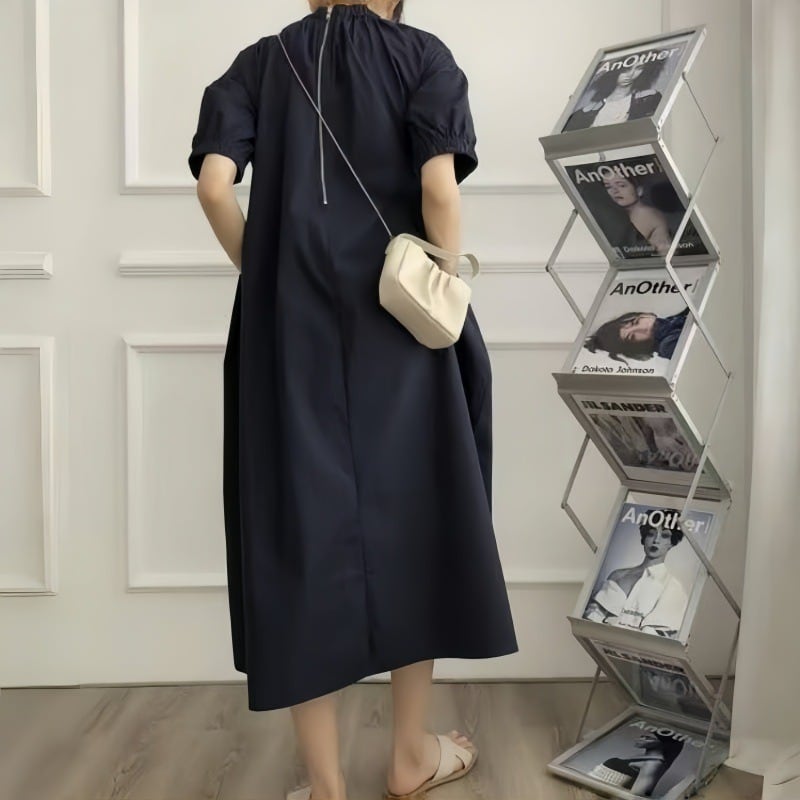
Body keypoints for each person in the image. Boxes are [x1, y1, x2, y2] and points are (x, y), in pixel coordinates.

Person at [187, 2, 519, 800]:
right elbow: (438, 188)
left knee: (296, 535)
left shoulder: (259, 63)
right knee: (418, 520)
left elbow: (214, 185)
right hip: (401, 323)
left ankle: (327, 786)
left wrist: (263, 271)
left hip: (287, 336)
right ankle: (409, 757)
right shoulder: (421, 56)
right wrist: (447, 282)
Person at [584, 510, 690, 637]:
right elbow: (591, 620)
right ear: (644, 538)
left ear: (672, 542)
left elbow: (657, 637)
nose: (656, 540)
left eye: (665, 535)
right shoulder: (617, 576)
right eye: (651, 534)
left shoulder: (673, 588)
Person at [562, 57, 666, 131]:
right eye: (626, 69)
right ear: (616, 70)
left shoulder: (648, 98)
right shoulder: (586, 111)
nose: (630, 74)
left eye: (639, 68)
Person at [588, 730, 685, 796]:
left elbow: (636, 795)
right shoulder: (648, 760)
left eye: (647, 737)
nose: (641, 738)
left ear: (661, 743)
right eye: (642, 736)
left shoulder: (653, 764)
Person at [584, 307, 690, 364]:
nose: (640, 328)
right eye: (632, 336)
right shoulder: (668, 346)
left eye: (633, 322)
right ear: (639, 349)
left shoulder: (672, 321)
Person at [602, 173, 673, 256]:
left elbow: (624, 250)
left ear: (639, 190)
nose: (615, 191)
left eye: (622, 185)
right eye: (608, 187)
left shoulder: (643, 213)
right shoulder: (625, 214)